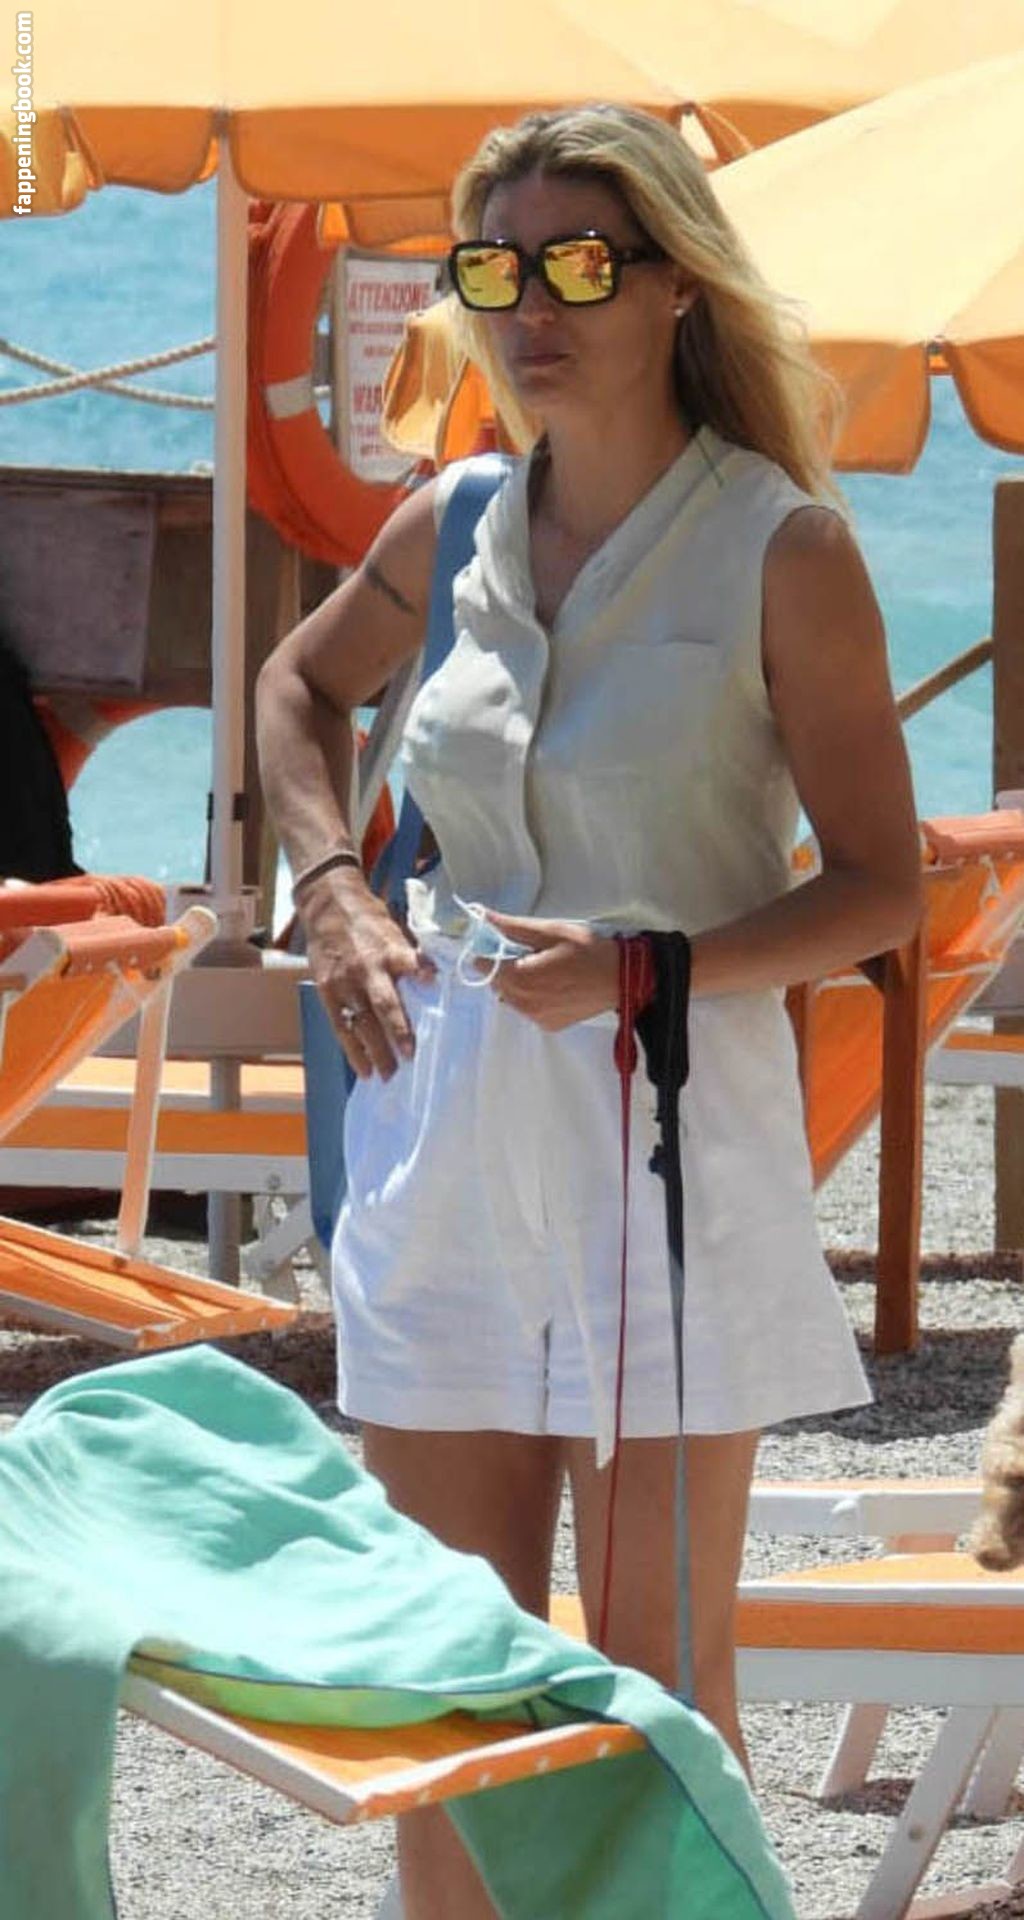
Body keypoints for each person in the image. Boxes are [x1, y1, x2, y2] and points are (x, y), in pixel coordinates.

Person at [256, 103, 922, 1920]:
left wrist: (655, 968)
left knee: (652, 1682)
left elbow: (883, 885)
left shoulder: (783, 549)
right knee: (449, 1673)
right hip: (443, 1129)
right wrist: (330, 893)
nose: (531, 308)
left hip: (668, 1131)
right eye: (496, 269)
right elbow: (297, 691)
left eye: (577, 264)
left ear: (674, 283)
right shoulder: (455, 518)